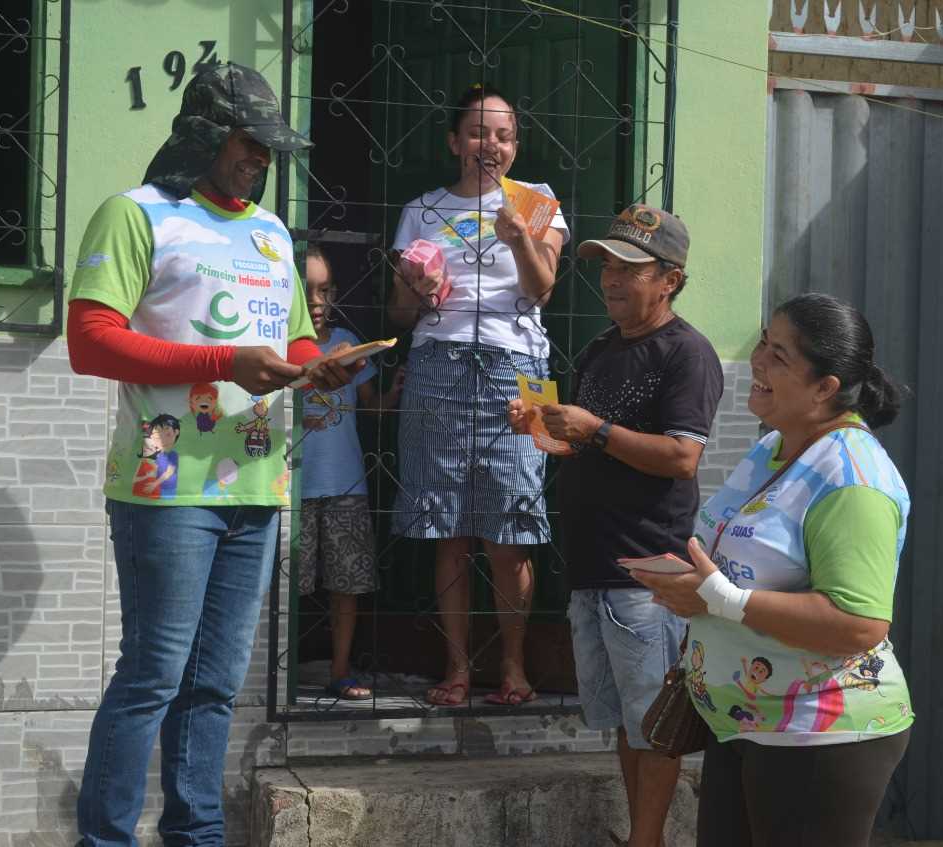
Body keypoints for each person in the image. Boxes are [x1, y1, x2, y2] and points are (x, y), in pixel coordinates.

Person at [65, 63, 361, 845]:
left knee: (216, 684)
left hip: (256, 486)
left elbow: (292, 336)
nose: (260, 160)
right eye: (247, 142)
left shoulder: (269, 232)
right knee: (155, 673)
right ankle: (106, 836)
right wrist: (225, 364)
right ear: (203, 133)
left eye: (269, 150)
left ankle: (196, 831)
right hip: (164, 482)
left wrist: (319, 360)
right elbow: (90, 342)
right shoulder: (137, 214)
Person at [634, 293, 914, 847]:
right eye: (763, 342)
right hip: (742, 720)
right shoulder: (770, 450)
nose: (758, 361)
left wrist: (719, 598)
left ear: (824, 388)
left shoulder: (852, 478)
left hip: (817, 733)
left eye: (779, 356)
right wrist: (692, 588)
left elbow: (859, 623)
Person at [509, 205, 723, 847]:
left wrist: (595, 429)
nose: (612, 279)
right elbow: (591, 448)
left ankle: (648, 838)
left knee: (656, 724)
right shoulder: (601, 350)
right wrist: (546, 427)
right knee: (629, 724)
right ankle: (642, 834)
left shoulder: (688, 353)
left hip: (648, 572)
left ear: (671, 280)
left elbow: (683, 456)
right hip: (593, 565)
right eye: (607, 265)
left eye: (631, 267)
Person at [386, 83, 569, 707]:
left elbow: (543, 291)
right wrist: (414, 285)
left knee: (513, 524)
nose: (488, 144)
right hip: (437, 364)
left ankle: (514, 668)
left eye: (502, 134)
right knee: (449, 529)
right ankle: (458, 670)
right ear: (453, 141)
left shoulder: (539, 200)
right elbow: (403, 315)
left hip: (521, 367)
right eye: (476, 132)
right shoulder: (421, 209)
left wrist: (519, 234)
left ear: (515, 146)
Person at [298, 245, 404, 700]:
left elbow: (371, 408)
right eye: (306, 291)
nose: (317, 302)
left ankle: (340, 670)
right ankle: (275, 672)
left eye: (325, 290)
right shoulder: (277, 347)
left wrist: (395, 392)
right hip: (291, 489)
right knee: (287, 585)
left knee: (347, 584)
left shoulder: (347, 344)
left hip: (345, 484)